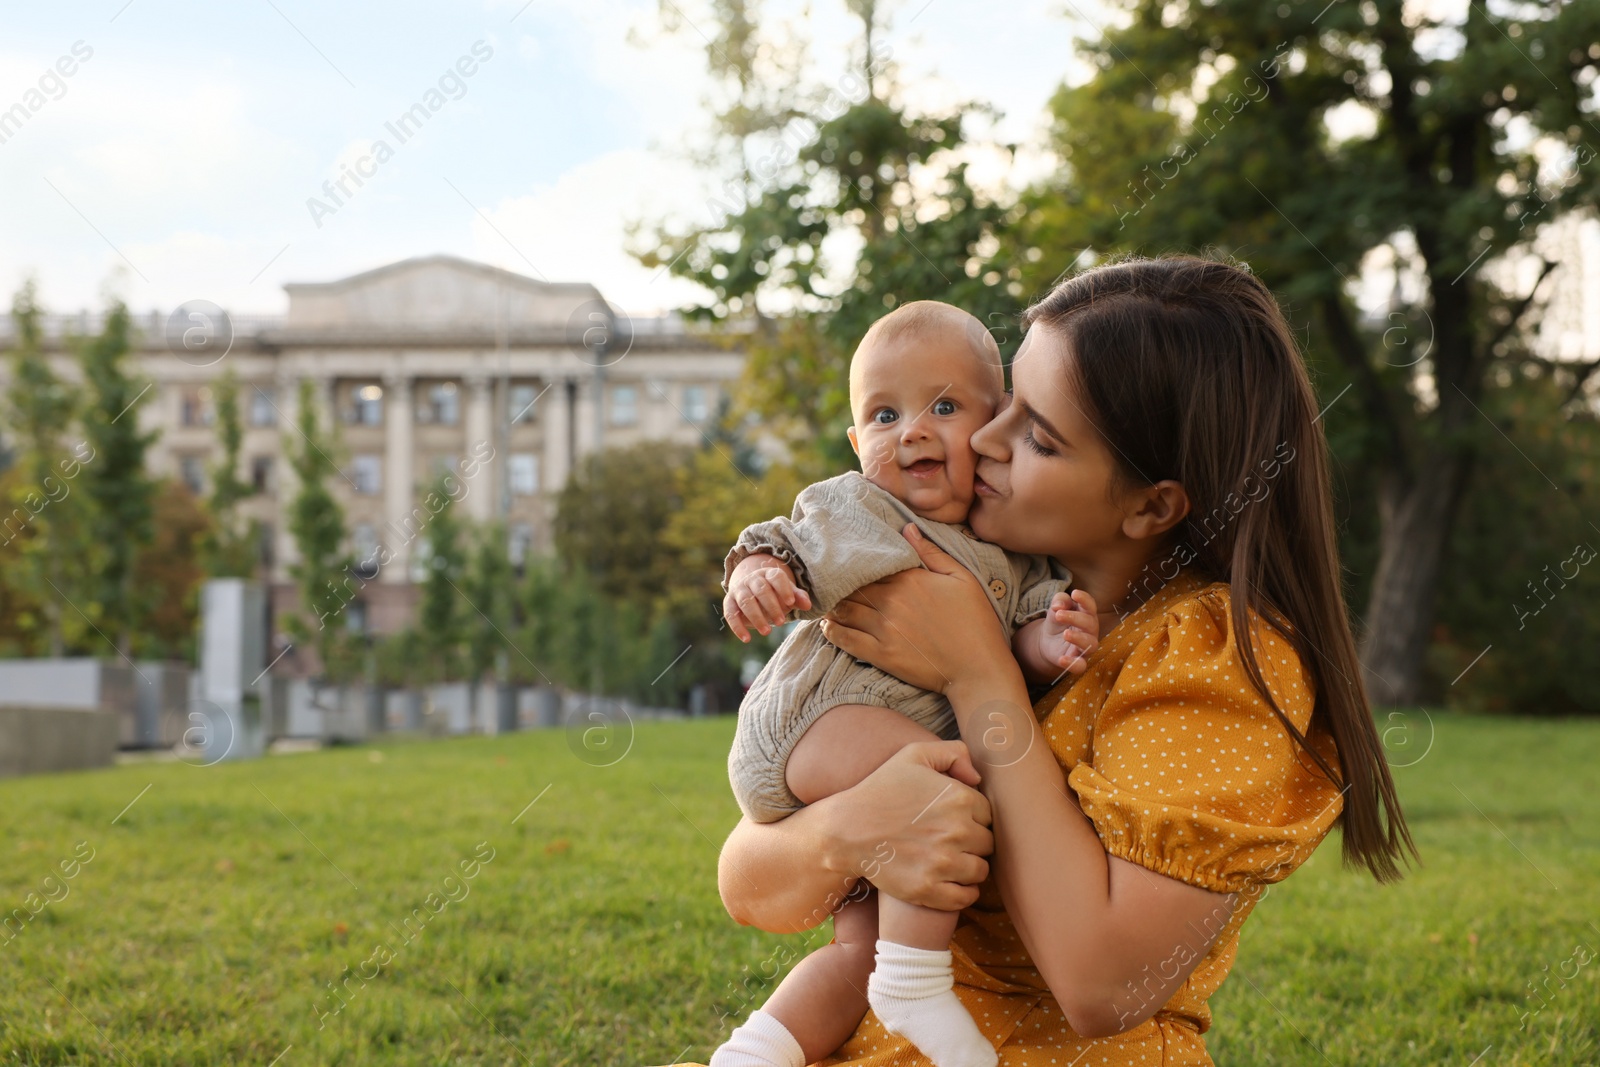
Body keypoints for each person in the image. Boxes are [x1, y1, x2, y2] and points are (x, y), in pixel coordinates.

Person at [665, 255, 1413, 1066]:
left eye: (1037, 435)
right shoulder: (956, 574)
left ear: (1153, 503)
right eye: (1007, 400)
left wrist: (980, 673)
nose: (982, 436)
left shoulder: (1207, 657)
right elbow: (747, 884)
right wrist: (852, 828)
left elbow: (1104, 984)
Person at [712, 300, 1100, 1067]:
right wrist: (757, 574)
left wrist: (1051, 640)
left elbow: (1014, 639)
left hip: (854, 763)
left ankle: (756, 1051)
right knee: (950, 781)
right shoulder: (859, 506)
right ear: (858, 444)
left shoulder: (1013, 552)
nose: (912, 430)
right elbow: (782, 544)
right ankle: (917, 981)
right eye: (883, 415)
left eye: (944, 406)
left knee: (859, 948)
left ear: (993, 430)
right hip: (815, 720)